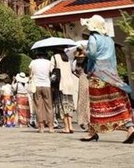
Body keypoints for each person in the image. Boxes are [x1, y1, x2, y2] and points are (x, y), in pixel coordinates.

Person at [79, 15, 134, 143]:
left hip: (97, 75)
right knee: (118, 101)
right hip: (111, 75)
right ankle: (130, 127)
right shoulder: (109, 39)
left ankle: (92, 132)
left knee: (96, 104)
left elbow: (92, 54)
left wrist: (84, 50)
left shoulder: (93, 38)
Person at [50, 49, 76, 134]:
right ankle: (71, 126)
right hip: (70, 83)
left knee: (62, 105)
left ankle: (66, 127)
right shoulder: (67, 58)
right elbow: (72, 69)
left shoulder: (54, 57)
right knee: (69, 105)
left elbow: (51, 70)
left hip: (61, 83)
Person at [29, 50, 54, 133]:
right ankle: (50, 127)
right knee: (49, 106)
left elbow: (30, 74)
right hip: (46, 85)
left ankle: (41, 127)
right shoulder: (49, 62)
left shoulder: (33, 62)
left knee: (39, 107)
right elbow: (51, 73)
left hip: (37, 85)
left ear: (37, 56)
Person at [74, 48, 90, 130]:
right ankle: (87, 121)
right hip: (88, 80)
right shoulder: (88, 62)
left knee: (82, 101)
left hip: (82, 80)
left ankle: (83, 120)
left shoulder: (77, 63)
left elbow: (75, 71)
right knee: (87, 101)